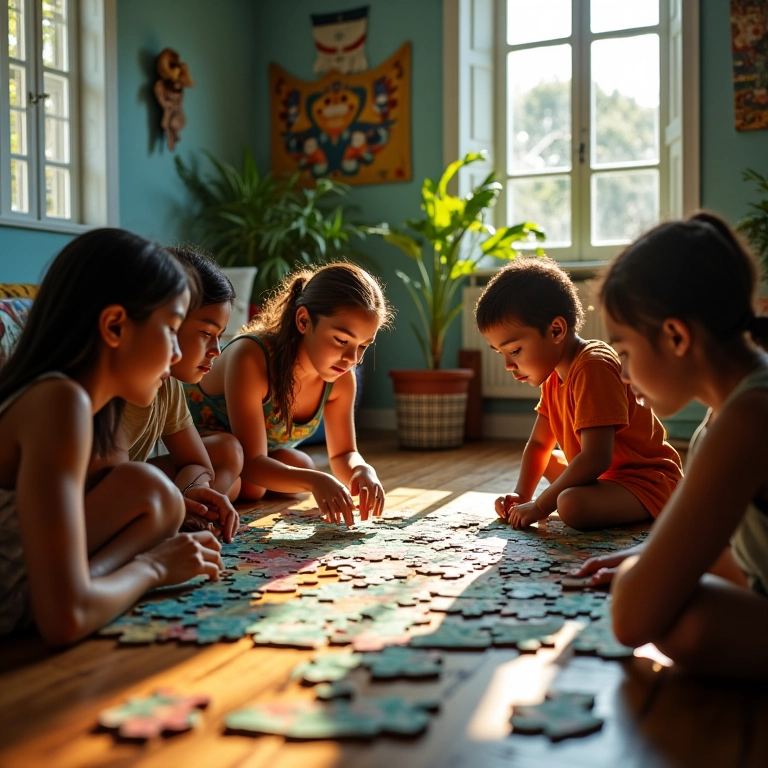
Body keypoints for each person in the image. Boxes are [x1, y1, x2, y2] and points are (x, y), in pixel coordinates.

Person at [0, 228, 224, 646]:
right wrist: (154, 568)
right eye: (172, 329)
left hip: (28, 582)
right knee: (154, 500)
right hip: (26, 600)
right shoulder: (58, 402)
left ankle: (89, 588)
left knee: (157, 495)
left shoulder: (84, 405)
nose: (176, 354)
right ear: (116, 326)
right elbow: (64, 621)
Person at [572, 212, 768, 678]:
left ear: (677, 336)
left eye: (624, 352)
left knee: (680, 621)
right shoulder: (736, 399)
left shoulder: (748, 417)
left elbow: (630, 622)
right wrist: (646, 559)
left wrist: (644, 579)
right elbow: (749, 550)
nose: (621, 373)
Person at [474, 256, 683, 531]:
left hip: (644, 482)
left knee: (571, 504)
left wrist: (539, 506)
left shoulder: (593, 365)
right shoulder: (553, 376)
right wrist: (522, 496)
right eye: (501, 354)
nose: (508, 366)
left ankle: (655, 508)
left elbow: (596, 457)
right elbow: (539, 444)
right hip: (607, 480)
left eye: (514, 351)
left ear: (556, 330)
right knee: (544, 457)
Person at [184, 262, 394, 525]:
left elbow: (342, 454)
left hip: (254, 456)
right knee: (243, 483)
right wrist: (316, 481)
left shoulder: (341, 379)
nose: (352, 358)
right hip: (207, 449)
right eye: (341, 340)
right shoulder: (250, 357)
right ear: (303, 320)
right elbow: (250, 460)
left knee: (302, 466)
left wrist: (362, 470)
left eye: (363, 345)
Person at [94, 246, 243, 542]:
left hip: (132, 492)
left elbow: (197, 462)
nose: (216, 351)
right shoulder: (93, 397)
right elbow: (118, 487)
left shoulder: (167, 385)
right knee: (233, 484)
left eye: (220, 337)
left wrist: (191, 493)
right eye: (205, 333)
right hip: (104, 504)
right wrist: (174, 508)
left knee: (228, 451)